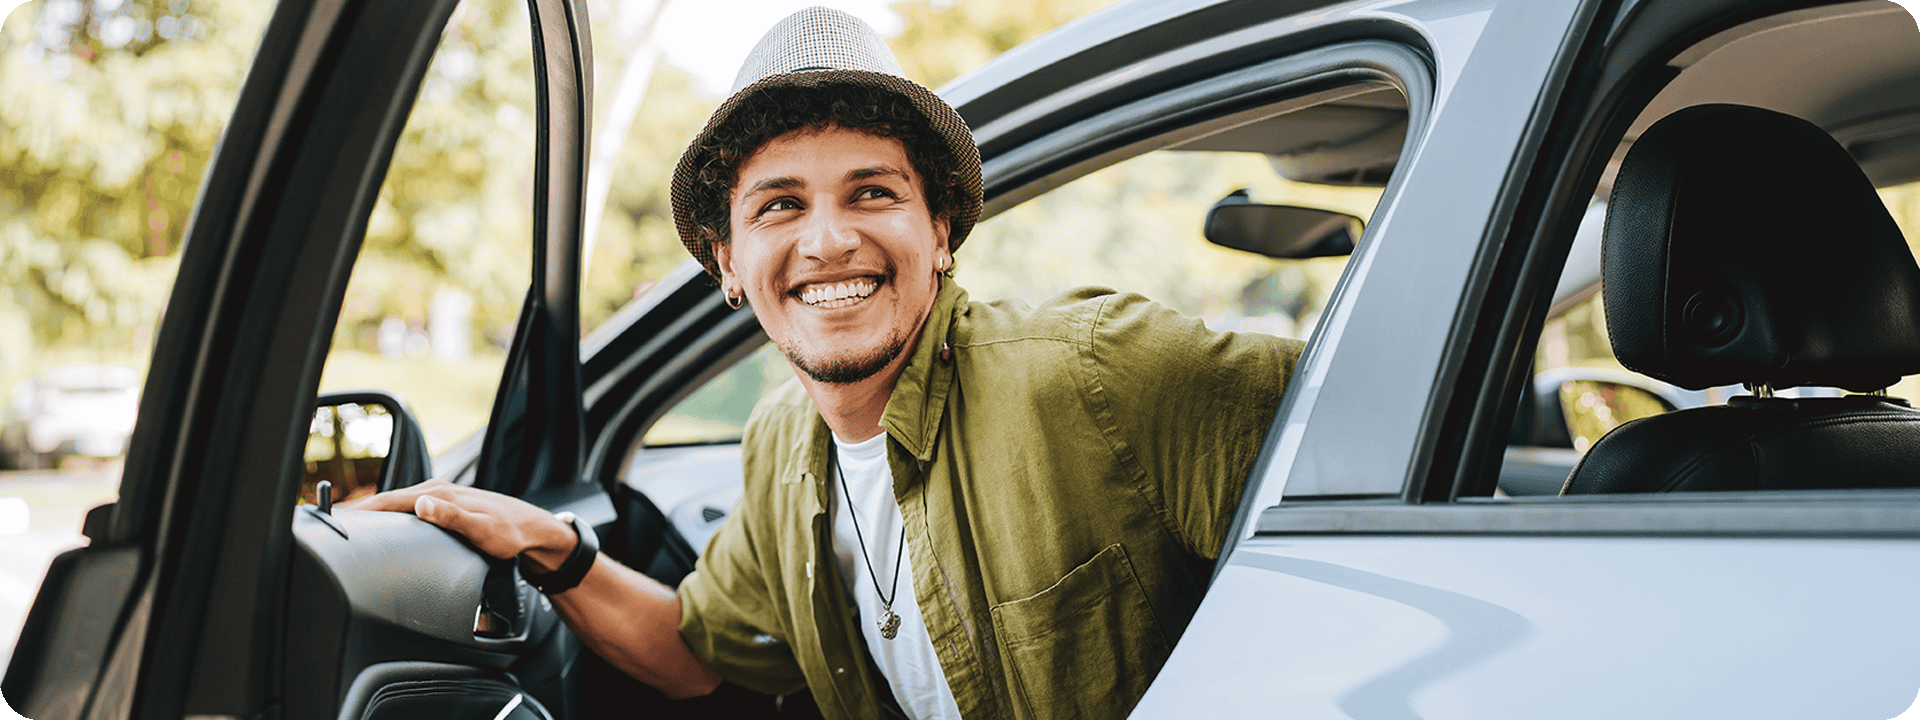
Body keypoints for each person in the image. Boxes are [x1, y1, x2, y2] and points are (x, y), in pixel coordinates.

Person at [349, 7, 1302, 719]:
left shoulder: (1100, 373)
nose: (829, 239)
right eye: (778, 205)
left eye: (872, 191)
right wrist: (550, 546)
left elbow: (1406, 452)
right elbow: (694, 651)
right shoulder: (780, 445)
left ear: (939, 230)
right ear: (727, 262)